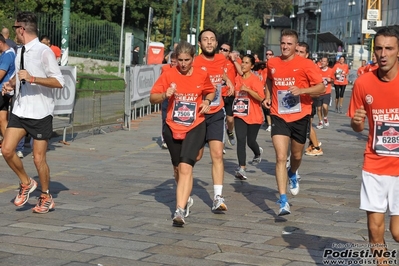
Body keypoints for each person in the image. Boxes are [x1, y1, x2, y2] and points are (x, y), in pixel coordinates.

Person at [1, 11, 65, 214]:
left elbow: (59, 82)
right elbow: (19, 76)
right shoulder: (20, 51)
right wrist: (10, 85)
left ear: (21, 29)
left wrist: (33, 78)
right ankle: (26, 182)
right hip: (21, 109)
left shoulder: (44, 51)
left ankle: (46, 196)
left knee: (38, 159)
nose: (14, 33)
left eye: (15, 29)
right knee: (7, 150)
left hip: (40, 112)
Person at [348, 27, 399, 264]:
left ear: (398, 51)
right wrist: (357, 123)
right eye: (379, 48)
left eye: (389, 48)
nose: (383, 54)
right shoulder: (363, 83)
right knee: (375, 232)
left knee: (397, 232)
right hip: (374, 163)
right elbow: (357, 125)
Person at [150, 41, 215, 226]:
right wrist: (165, 95)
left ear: (193, 58)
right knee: (178, 168)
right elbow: (152, 97)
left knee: (186, 167)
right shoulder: (168, 74)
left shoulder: (202, 74)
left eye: (187, 60)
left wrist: (207, 102)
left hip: (195, 124)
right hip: (172, 126)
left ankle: (179, 211)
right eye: (180, 60)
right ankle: (185, 197)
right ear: (175, 59)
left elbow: (210, 91)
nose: (184, 64)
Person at [263, 29, 324, 216]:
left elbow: (321, 87)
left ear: (296, 45)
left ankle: (292, 173)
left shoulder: (306, 64)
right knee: (281, 157)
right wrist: (267, 96)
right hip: (279, 115)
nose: (285, 46)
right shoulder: (272, 62)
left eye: (289, 44)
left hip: (300, 116)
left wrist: (303, 90)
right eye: (283, 43)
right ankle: (283, 201)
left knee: (296, 156)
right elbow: (269, 81)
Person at [194, 28, 234, 213]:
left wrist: (229, 81)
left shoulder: (222, 60)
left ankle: (218, 197)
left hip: (217, 113)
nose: (209, 42)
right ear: (200, 43)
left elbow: (220, 74)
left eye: (212, 39)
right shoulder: (194, 62)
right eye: (205, 39)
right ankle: (184, 182)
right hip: (198, 114)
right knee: (196, 156)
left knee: (217, 154)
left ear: (217, 43)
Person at [233, 54, 265, 180]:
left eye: (247, 63)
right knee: (241, 140)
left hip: (254, 116)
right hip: (239, 114)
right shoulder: (237, 78)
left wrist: (248, 90)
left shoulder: (255, 80)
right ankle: (242, 168)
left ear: (252, 66)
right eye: (243, 62)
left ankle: (257, 152)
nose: (243, 65)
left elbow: (261, 97)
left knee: (250, 141)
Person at [295, 42, 323, 157]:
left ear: (307, 55)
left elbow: (318, 89)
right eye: (296, 51)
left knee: (308, 126)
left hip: (307, 101)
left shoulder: (309, 65)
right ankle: (313, 144)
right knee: (307, 126)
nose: (298, 54)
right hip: (295, 103)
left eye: (301, 52)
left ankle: (316, 147)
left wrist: (303, 91)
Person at [0, 33, 16, 156]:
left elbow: (1, 74)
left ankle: (8, 146)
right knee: (2, 120)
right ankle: (8, 146)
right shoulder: (9, 53)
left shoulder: (7, 56)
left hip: (2, 90)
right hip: (4, 91)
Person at [219, 42, 237, 146]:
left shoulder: (232, 62)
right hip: (218, 95)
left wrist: (234, 60)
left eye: (225, 50)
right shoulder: (215, 61)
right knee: (220, 119)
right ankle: (221, 142)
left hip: (230, 94)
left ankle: (230, 131)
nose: (222, 51)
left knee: (230, 119)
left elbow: (241, 72)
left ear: (229, 52)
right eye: (221, 49)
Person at [160, 52, 177, 149]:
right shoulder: (165, 69)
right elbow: (161, 81)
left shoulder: (180, 70)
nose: (173, 64)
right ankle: (164, 139)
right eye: (172, 62)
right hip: (167, 97)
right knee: (165, 118)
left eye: (175, 62)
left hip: (176, 98)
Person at [315, 56, 333, 129]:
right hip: (319, 92)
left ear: (327, 63)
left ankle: (325, 117)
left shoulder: (330, 70)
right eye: (322, 61)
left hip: (327, 91)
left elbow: (334, 80)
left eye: (324, 61)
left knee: (325, 107)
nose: (322, 62)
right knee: (319, 109)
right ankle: (320, 121)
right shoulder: (318, 70)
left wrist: (330, 80)